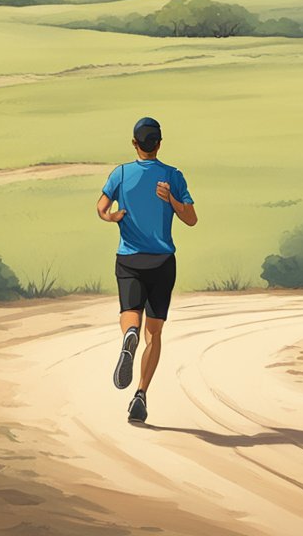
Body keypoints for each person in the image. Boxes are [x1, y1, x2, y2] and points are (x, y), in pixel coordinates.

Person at [96, 116, 197, 423]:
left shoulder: (121, 174)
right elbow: (191, 219)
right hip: (163, 262)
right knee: (154, 334)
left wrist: (114, 217)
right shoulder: (172, 176)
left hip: (129, 259)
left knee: (130, 313)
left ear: (134, 143)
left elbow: (101, 208)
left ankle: (129, 335)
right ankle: (140, 394)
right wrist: (172, 201)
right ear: (160, 144)